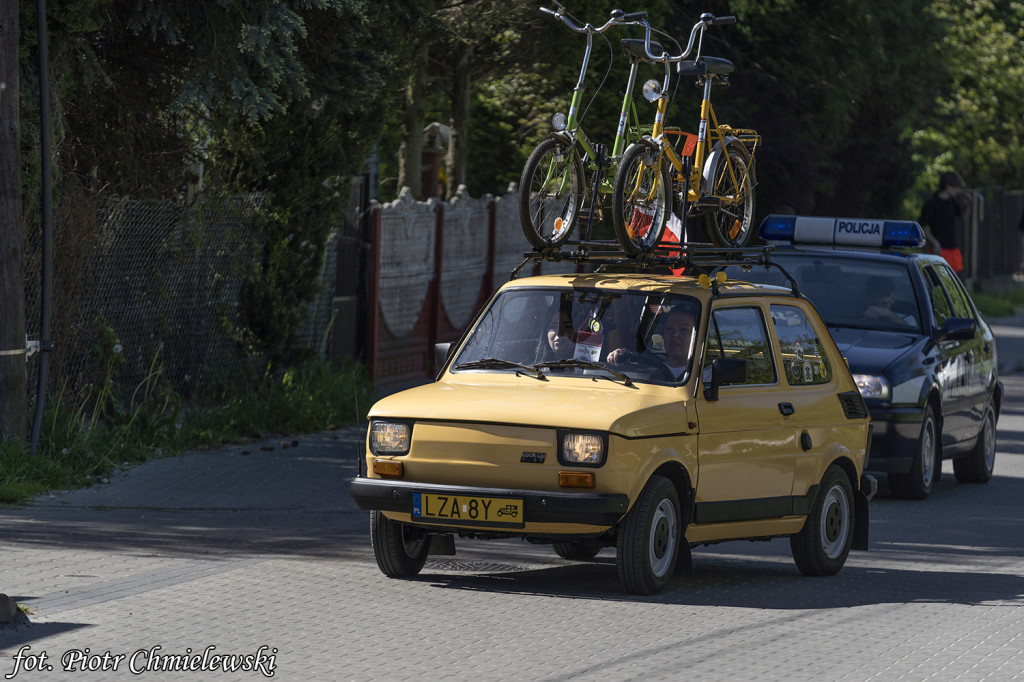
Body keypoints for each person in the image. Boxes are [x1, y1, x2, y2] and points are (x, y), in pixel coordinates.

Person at [607, 305, 695, 380]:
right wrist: (617, 361)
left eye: (684, 329)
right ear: (663, 334)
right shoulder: (646, 369)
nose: (675, 335)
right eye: (669, 328)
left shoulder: (705, 377)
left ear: (696, 336)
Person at [918, 170, 970, 275]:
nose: (957, 190)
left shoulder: (952, 202)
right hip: (940, 249)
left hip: (952, 247)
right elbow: (921, 225)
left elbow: (963, 216)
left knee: (955, 279)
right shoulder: (933, 204)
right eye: (956, 187)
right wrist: (935, 242)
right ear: (948, 186)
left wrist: (967, 204)